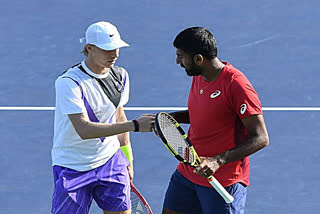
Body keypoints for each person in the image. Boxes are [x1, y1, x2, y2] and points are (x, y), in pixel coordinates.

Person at [161, 27, 269, 214]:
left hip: (223, 181)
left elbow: (261, 138)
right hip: (189, 171)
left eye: (181, 56)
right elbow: (203, 113)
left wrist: (217, 161)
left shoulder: (236, 85)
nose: (178, 61)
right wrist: (166, 120)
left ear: (198, 59)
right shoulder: (200, 75)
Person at [51, 21, 155, 214]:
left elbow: (118, 116)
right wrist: (134, 125)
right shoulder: (69, 83)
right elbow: (84, 129)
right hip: (73, 166)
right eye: (107, 49)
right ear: (89, 48)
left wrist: (128, 159)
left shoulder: (120, 76)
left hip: (111, 160)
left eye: (116, 48)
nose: (114, 54)